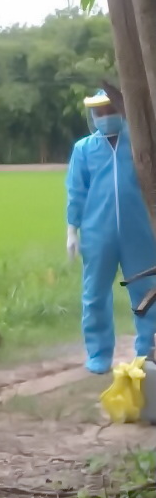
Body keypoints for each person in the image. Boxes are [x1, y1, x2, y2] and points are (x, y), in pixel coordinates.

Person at [66, 89, 156, 375]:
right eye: (99, 112)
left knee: (147, 293)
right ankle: (99, 353)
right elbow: (76, 192)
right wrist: (72, 231)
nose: (105, 117)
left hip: (139, 232)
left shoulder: (139, 144)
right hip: (97, 233)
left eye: (110, 110)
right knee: (95, 295)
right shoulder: (84, 149)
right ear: (92, 116)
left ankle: (148, 352)